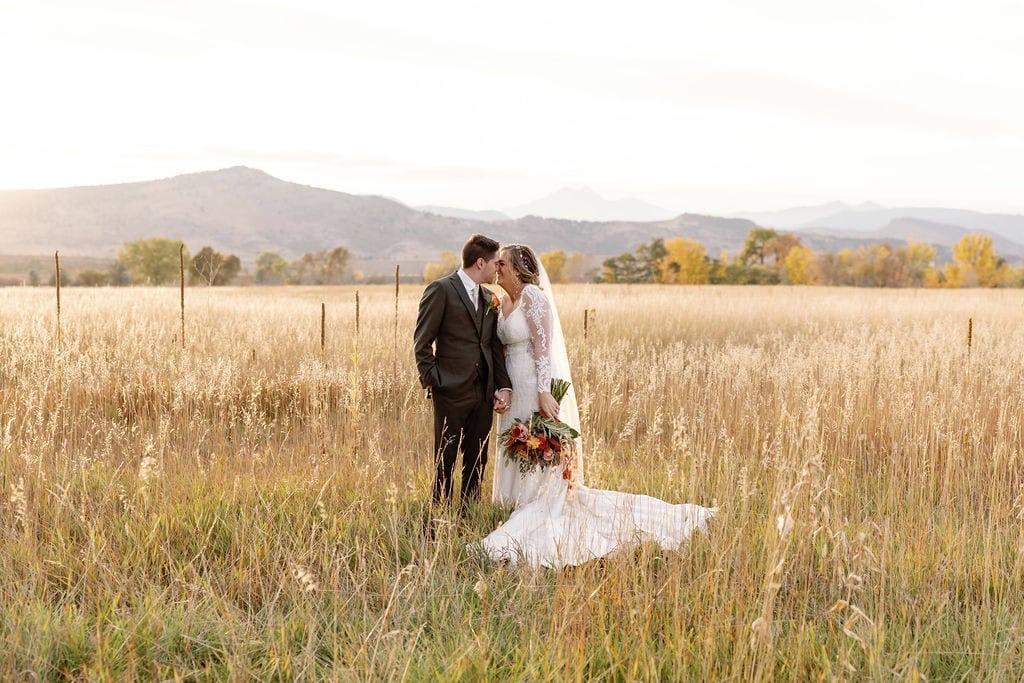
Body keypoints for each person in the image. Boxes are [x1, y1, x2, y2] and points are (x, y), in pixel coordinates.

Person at [478, 244, 715, 568]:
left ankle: (534, 504)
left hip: (533, 386)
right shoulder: (503, 301)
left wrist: (545, 392)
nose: (497, 269)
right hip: (513, 389)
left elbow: (544, 349)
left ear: (518, 269)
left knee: (535, 447)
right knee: (514, 444)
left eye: (502, 263)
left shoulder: (534, 297)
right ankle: (513, 503)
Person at [414, 234, 512, 513]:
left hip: (483, 392)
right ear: (481, 262)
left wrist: (502, 386)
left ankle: (468, 515)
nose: (498, 269)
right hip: (450, 391)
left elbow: (493, 345)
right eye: (495, 263)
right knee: (445, 458)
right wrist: (435, 380)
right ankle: (439, 518)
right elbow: (422, 343)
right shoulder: (441, 289)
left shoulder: (489, 297)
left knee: (477, 459)